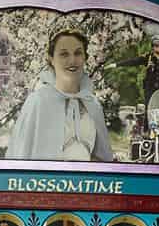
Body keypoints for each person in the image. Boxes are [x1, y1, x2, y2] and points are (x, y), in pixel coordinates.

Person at [7, 25, 115, 163]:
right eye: (64, 54)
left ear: (85, 57)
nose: (72, 60)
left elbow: (103, 158)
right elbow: (20, 154)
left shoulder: (92, 104)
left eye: (78, 53)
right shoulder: (38, 101)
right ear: (51, 59)